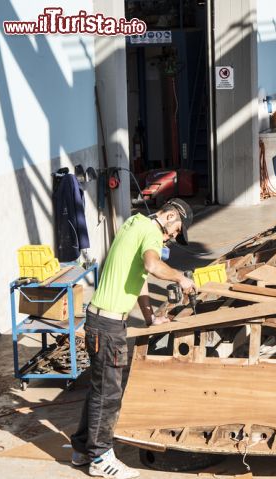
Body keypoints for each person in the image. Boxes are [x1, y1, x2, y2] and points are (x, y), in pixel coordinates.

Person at [70, 199, 197, 479]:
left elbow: (138, 276)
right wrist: (180, 279)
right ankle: (101, 458)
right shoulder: (152, 231)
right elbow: (152, 266)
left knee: (98, 389)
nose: (174, 236)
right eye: (177, 229)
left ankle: (81, 449)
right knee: (110, 394)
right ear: (169, 216)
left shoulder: (134, 224)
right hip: (108, 325)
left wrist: (150, 317)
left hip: (98, 319)